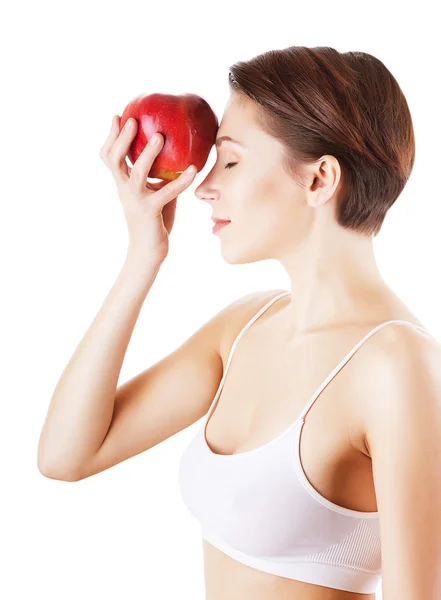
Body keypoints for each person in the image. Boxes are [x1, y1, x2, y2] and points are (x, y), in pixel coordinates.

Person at [38, 45, 441, 600]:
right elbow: (65, 456)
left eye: (229, 160)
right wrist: (142, 258)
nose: (203, 187)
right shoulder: (245, 327)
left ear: (320, 179)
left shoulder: (399, 366)